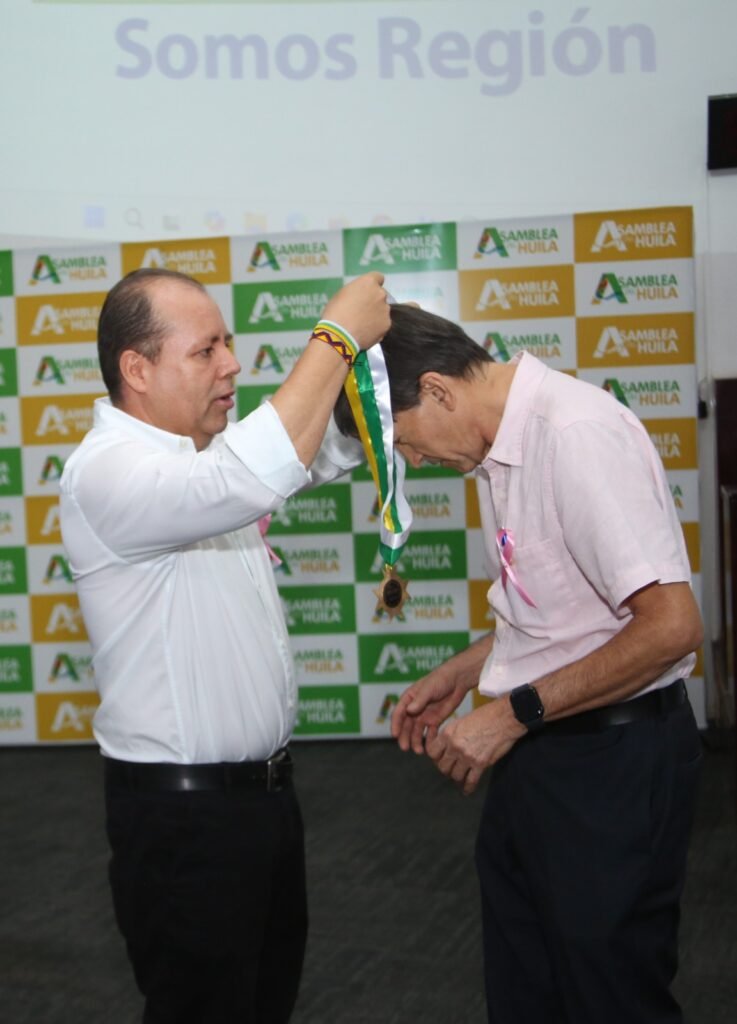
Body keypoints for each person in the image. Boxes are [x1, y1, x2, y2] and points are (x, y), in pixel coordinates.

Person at [334, 304, 704, 1024]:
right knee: (528, 987)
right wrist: (469, 669)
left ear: (437, 389)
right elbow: (566, 620)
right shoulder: (499, 448)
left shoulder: (572, 434)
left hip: (611, 764)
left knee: (608, 996)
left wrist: (510, 713)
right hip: (545, 754)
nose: (414, 462)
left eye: (404, 441)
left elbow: (670, 627)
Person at [59, 267, 390, 1024]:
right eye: (205, 350)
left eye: (228, 344)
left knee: (263, 1004)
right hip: (184, 823)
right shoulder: (107, 472)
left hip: (259, 805)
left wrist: (380, 383)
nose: (232, 365)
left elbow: (305, 453)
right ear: (137, 369)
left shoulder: (196, 461)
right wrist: (336, 336)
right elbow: (253, 475)